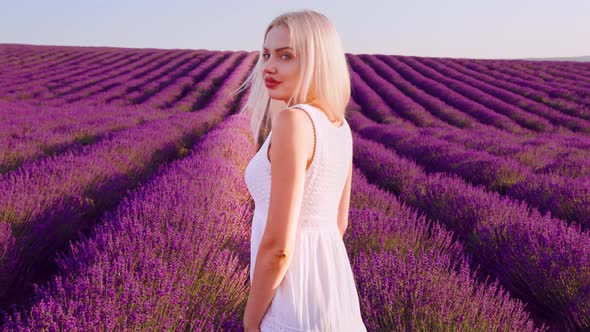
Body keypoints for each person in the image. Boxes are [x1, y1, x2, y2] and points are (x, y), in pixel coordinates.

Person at [237, 9, 367, 332]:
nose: (269, 66)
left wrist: (251, 320)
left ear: (316, 61)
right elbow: (339, 223)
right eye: (266, 54)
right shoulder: (339, 126)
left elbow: (278, 248)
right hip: (333, 301)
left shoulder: (294, 122)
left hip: (290, 305)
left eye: (286, 56)